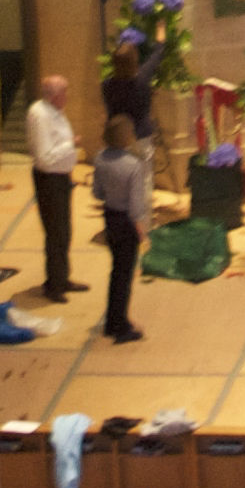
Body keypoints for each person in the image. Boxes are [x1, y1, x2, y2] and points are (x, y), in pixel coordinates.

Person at [23, 77, 85, 307]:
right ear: (54, 95)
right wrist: (71, 144)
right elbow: (44, 158)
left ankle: (62, 278)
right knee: (55, 232)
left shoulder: (56, 110)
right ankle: (53, 285)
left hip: (61, 178)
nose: (67, 98)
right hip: (49, 181)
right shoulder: (40, 116)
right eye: (64, 93)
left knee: (65, 231)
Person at [92, 115, 154, 340]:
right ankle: (120, 326)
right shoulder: (133, 166)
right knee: (125, 276)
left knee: (116, 272)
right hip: (128, 222)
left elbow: (96, 192)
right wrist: (142, 230)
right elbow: (137, 205)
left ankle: (113, 319)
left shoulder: (99, 159)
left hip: (110, 217)